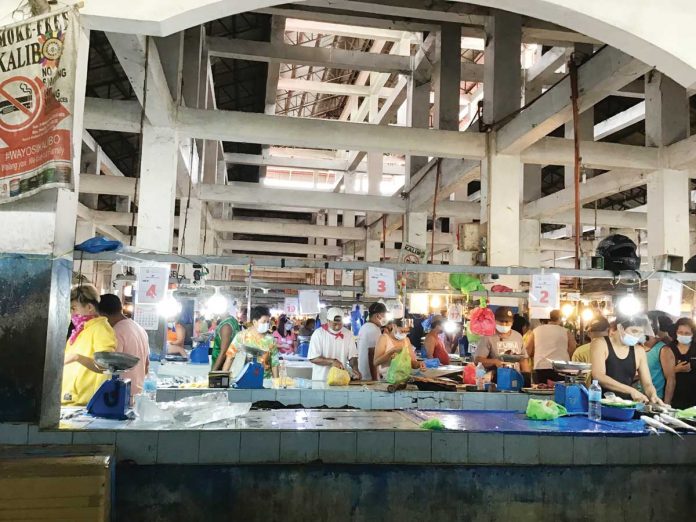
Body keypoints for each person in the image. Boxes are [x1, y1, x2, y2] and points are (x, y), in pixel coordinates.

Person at [62, 285, 117, 406]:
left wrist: (77, 357)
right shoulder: (78, 332)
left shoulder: (101, 329)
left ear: (89, 307)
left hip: (85, 404)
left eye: (74, 308)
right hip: (69, 402)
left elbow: (105, 366)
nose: (72, 313)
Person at [590, 317, 663, 404]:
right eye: (634, 331)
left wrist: (653, 395)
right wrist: (631, 391)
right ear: (620, 327)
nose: (637, 336)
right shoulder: (600, 344)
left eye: (640, 333)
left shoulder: (639, 351)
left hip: (626, 405)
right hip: (599, 404)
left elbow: (647, 384)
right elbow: (599, 376)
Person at [98, 294, 150, 396]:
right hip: (137, 393)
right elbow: (146, 365)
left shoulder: (116, 332)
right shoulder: (139, 328)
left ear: (102, 315)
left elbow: (110, 369)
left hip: (120, 395)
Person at [222, 306, 279, 379]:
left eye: (268, 322)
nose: (266, 324)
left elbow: (274, 363)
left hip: (265, 381)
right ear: (255, 322)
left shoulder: (270, 340)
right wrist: (223, 379)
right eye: (264, 322)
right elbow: (230, 358)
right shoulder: (241, 336)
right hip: (243, 380)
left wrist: (276, 384)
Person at [308, 307, 361, 382]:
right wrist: (332, 361)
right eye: (335, 324)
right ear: (328, 321)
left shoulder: (348, 334)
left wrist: (355, 369)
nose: (338, 326)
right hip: (321, 380)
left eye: (340, 324)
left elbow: (352, 356)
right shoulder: (318, 334)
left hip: (340, 380)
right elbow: (313, 358)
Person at [475, 307, 531, 376]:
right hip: (495, 380)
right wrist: (494, 362)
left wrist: (527, 378)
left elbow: (523, 360)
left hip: (515, 379)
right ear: (495, 321)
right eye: (501, 321)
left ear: (512, 322)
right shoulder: (487, 337)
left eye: (507, 322)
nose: (504, 324)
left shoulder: (518, 336)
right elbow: (477, 360)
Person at [525, 309, 577, 383]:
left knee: (542, 390)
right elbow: (573, 346)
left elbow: (528, 349)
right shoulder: (565, 331)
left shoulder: (536, 330)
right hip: (561, 367)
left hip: (541, 366)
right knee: (560, 390)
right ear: (559, 318)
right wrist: (565, 355)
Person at [661, 317, 696, 408]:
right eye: (680, 332)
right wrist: (676, 369)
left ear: (693, 334)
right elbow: (669, 378)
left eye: (687, 333)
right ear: (676, 332)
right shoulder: (668, 349)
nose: (683, 335)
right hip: (676, 395)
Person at [572, 316, 610, 386]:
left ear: (589, 333)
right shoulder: (618, 348)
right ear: (608, 331)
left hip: (590, 392)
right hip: (615, 392)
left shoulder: (580, 351)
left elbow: (577, 379)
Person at [356, 302, 387, 381]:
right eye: (384, 315)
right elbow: (372, 354)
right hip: (369, 376)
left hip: (363, 374)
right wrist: (374, 379)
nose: (385, 318)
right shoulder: (374, 330)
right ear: (378, 316)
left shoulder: (364, 327)